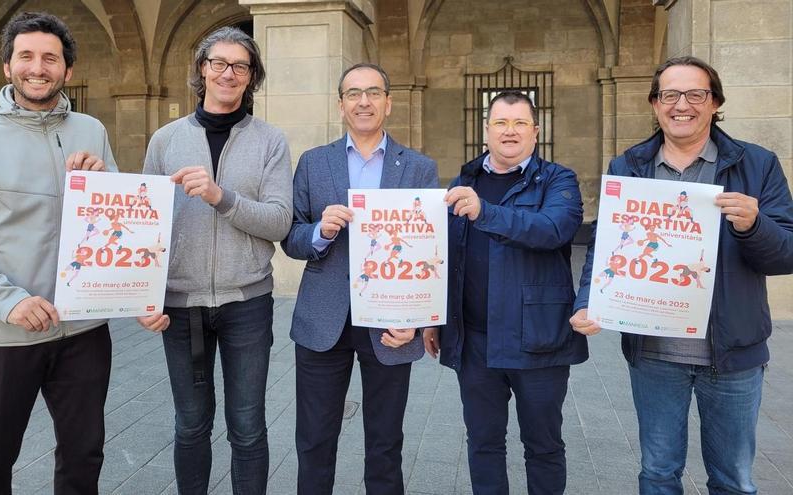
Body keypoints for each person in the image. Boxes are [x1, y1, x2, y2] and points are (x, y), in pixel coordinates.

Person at [570, 56, 793, 495]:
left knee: (733, 480)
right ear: (655, 104)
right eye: (670, 94)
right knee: (657, 473)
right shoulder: (628, 166)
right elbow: (605, 248)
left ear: (715, 103)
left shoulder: (758, 164)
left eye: (696, 94)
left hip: (732, 354)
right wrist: (587, 303)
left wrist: (754, 225)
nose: (682, 105)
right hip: (655, 354)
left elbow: (785, 255)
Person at [0, 11, 116, 494]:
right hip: (2, 335)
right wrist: (9, 301)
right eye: (26, 56)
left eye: (50, 58)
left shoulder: (92, 130)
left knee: (83, 459)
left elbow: (118, 220)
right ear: (8, 67)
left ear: (67, 70)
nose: (39, 67)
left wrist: (104, 183)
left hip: (83, 331)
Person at [137, 26, 292, 495]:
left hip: (247, 302)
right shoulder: (165, 140)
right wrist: (145, 295)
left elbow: (280, 222)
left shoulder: (270, 141)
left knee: (247, 428)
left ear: (251, 78)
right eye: (219, 63)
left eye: (240, 66)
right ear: (202, 69)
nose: (228, 73)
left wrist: (222, 197)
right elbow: (145, 225)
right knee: (190, 425)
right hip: (180, 306)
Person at [281, 63, 439, 494]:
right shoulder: (314, 163)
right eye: (353, 93)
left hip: (392, 324)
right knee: (314, 441)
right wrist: (319, 231)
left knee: (386, 445)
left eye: (373, 93)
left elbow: (431, 250)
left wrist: (421, 319)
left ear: (388, 102)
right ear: (341, 104)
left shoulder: (420, 168)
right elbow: (291, 237)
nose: (363, 101)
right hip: (323, 320)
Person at [424, 91, 586, 495]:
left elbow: (553, 230)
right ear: (486, 131)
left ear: (535, 132)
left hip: (538, 341)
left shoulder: (559, 180)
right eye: (500, 122)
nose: (509, 131)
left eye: (519, 123)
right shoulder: (465, 180)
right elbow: (444, 255)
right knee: (483, 445)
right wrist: (434, 317)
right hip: (475, 343)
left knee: (543, 446)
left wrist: (486, 212)